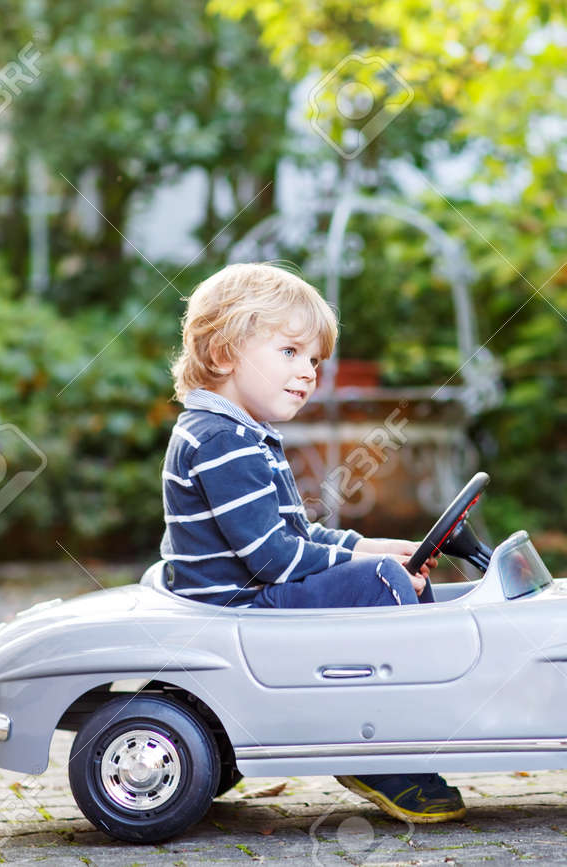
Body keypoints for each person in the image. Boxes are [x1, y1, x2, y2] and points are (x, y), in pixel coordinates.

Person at [160, 262, 465, 823]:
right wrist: (365, 567)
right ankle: (378, 747)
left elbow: (294, 534)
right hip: (241, 605)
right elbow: (273, 559)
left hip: (246, 594)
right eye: (289, 353)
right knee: (384, 584)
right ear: (225, 353)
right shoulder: (223, 440)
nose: (308, 373)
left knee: (382, 569)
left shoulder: (241, 434)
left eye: (315, 360)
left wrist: (366, 545)